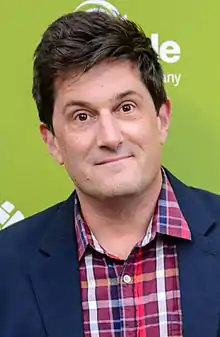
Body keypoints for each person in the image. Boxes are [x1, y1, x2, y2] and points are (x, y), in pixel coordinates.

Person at [0, 10, 220, 337]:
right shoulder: (6, 265)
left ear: (161, 119)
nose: (110, 137)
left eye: (125, 108)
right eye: (82, 116)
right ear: (52, 142)